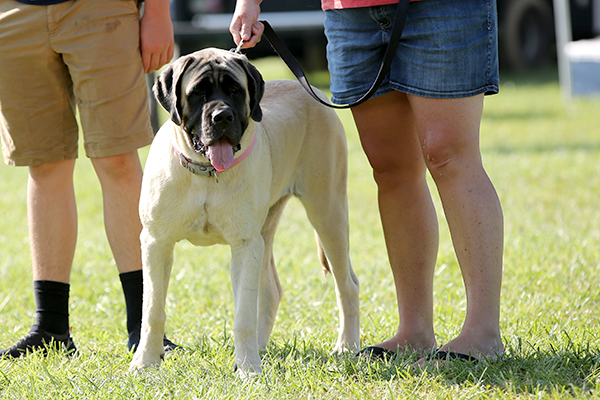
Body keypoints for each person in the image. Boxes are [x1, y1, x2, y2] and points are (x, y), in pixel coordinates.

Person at [229, 0, 505, 362]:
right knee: (390, 167)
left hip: (440, 6)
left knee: (447, 154)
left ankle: (482, 334)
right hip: (351, 12)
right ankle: (414, 331)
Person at [0, 0, 178, 357]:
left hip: (101, 9)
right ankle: (51, 328)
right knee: (44, 163)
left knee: (117, 158)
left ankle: (145, 327)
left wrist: (158, 13)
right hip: (13, 12)